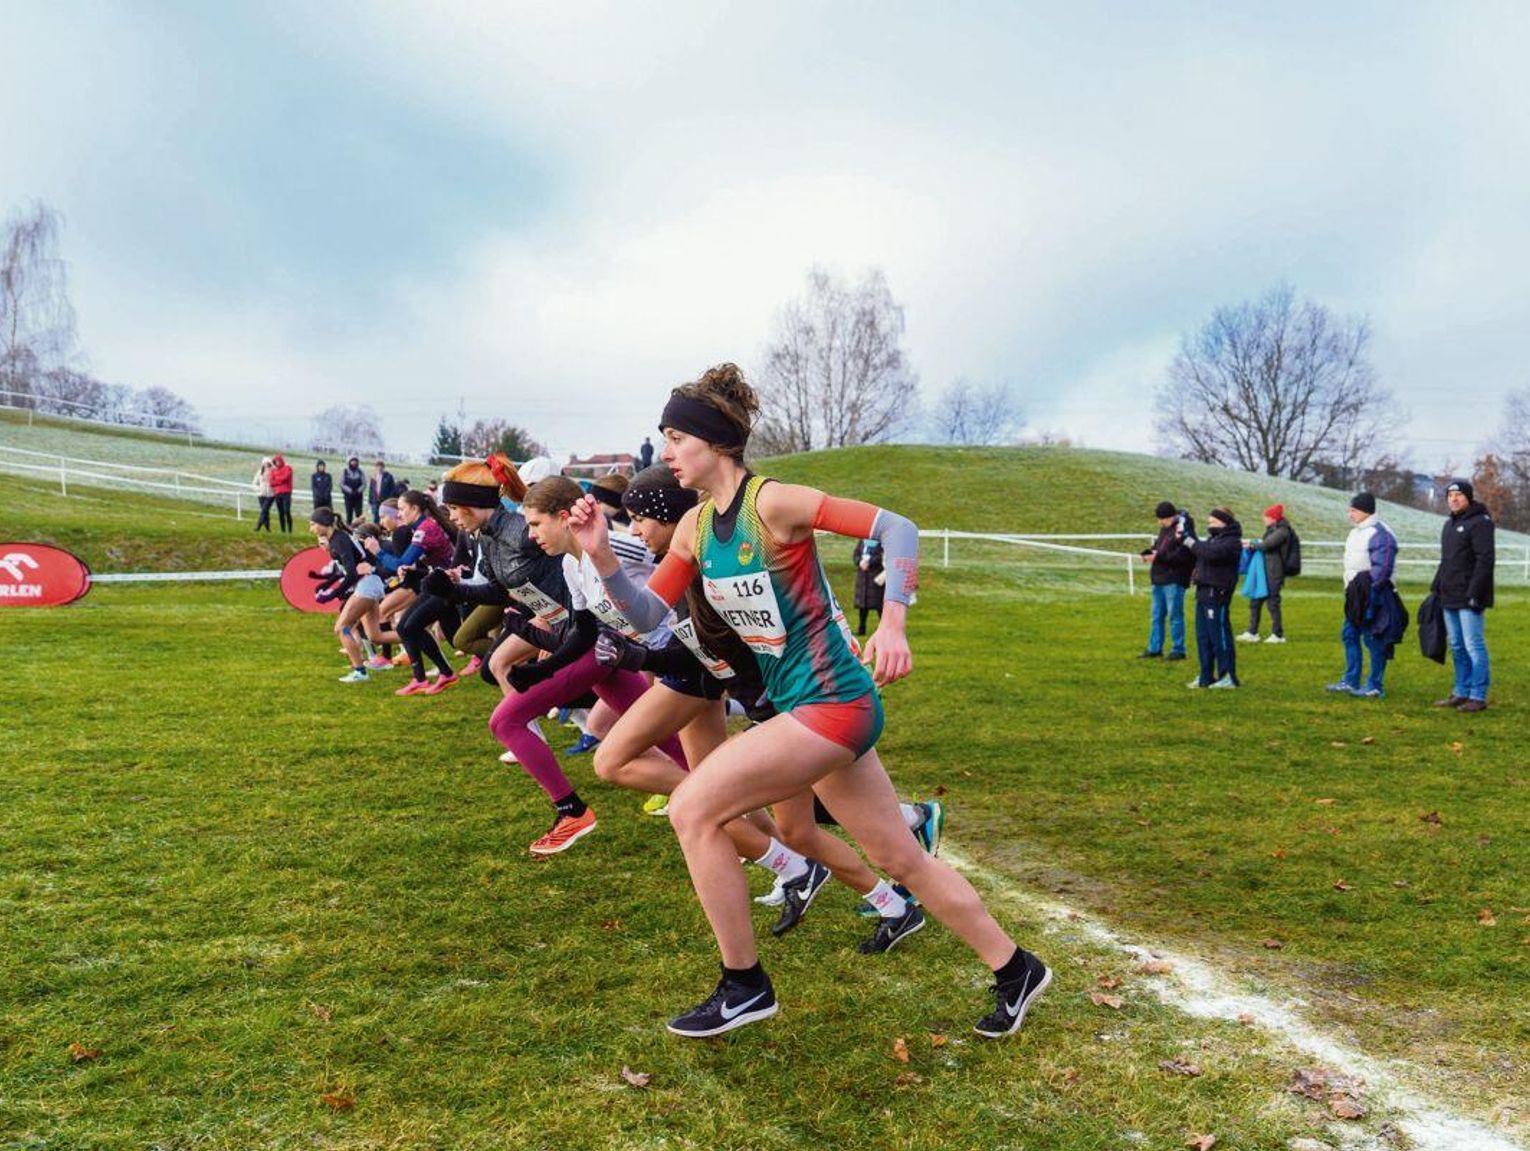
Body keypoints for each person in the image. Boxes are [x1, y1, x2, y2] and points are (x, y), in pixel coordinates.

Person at [585, 363, 1049, 1039]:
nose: (666, 452)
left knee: (691, 807)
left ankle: (744, 983)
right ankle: (1016, 968)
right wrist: (600, 557)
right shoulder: (690, 529)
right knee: (900, 858)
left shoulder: (773, 503)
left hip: (832, 703)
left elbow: (899, 529)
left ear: (713, 442)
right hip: (806, 708)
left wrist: (891, 622)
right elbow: (648, 612)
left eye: (676, 436)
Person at [1430, 480, 1495, 712]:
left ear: (1468, 497)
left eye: (1458, 495)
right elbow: (1447, 560)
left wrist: (1475, 593)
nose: (1453, 499)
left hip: (1469, 597)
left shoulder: (1481, 523)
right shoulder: (1449, 525)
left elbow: (1485, 561)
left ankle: (1478, 695)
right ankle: (1461, 691)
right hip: (1449, 595)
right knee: (1456, 645)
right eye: (1450, 495)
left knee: (1473, 644)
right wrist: (1436, 586)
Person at [1326, 492, 1398, 698]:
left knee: (1373, 639)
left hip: (1374, 595)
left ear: (1366, 510)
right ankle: (1350, 680)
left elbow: (1382, 568)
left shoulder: (1380, 534)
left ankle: (1375, 685)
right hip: (1354, 595)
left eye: (1354, 510)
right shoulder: (1356, 533)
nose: (1350, 514)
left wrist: (1372, 592)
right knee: (1349, 635)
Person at [1181, 508, 1242, 689]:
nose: (1210, 526)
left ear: (1224, 522)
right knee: (1203, 637)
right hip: (1203, 592)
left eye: (1213, 522)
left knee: (1219, 636)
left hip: (1217, 593)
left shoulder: (1231, 542)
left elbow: (1210, 553)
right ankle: (1206, 676)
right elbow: (1202, 552)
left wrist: (1190, 541)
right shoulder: (1214, 540)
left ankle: (1228, 676)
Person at [1138, 501, 1194, 660]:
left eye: (1163, 519)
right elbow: (1159, 547)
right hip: (1159, 577)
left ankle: (1178, 649)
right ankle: (1154, 648)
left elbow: (1184, 555)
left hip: (1174, 578)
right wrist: (1149, 554)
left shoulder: (1184, 530)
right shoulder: (1165, 529)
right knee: (1156, 615)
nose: (1160, 523)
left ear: (1172, 516)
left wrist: (1159, 557)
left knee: (1175, 616)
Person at [1238, 504, 1293, 644]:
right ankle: (1252, 631)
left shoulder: (1282, 532)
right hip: (1266, 570)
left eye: (1266, 517)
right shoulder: (1273, 530)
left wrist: (1250, 544)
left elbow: (1266, 545)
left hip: (1274, 572)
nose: (1264, 519)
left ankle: (1278, 634)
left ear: (1273, 518)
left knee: (1273, 603)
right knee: (1255, 601)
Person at [852, 538, 885, 636]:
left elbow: (882, 557)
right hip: (862, 578)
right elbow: (856, 554)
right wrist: (859, 562)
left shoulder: (881, 542)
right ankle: (862, 629)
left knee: (879, 605)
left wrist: (870, 562)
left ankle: (885, 630)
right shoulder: (862, 540)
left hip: (875, 577)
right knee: (863, 605)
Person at [268, 454, 295, 533]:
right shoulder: (273, 471)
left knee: (287, 510)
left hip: (286, 493)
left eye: (278, 461)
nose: (277, 463)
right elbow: (271, 483)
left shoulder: (288, 468)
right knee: (281, 512)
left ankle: (290, 530)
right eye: (275, 462)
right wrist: (279, 481)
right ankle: (283, 530)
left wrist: (277, 480)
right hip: (278, 493)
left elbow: (285, 478)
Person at [252, 457, 275, 532]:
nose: (267, 465)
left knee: (264, 510)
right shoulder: (260, 472)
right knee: (265, 511)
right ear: (263, 464)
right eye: (265, 464)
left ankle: (258, 526)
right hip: (261, 494)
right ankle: (268, 527)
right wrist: (259, 490)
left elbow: (277, 482)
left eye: (268, 464)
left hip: (271, 495)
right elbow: (254, 483)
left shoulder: (274, 472)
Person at [341, 457, 366, 523]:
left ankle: (360, 529)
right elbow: (342, 484)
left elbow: (364, 484)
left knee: (359, 514)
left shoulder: (360, 472)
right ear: (349, 462)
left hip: (358, 496)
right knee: (349, 514)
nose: (354, 463)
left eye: (356, 461)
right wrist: (350, 491)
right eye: (352, 461)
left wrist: (358, 491)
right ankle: (349, 528)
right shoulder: (345, 471)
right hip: (348, 496)